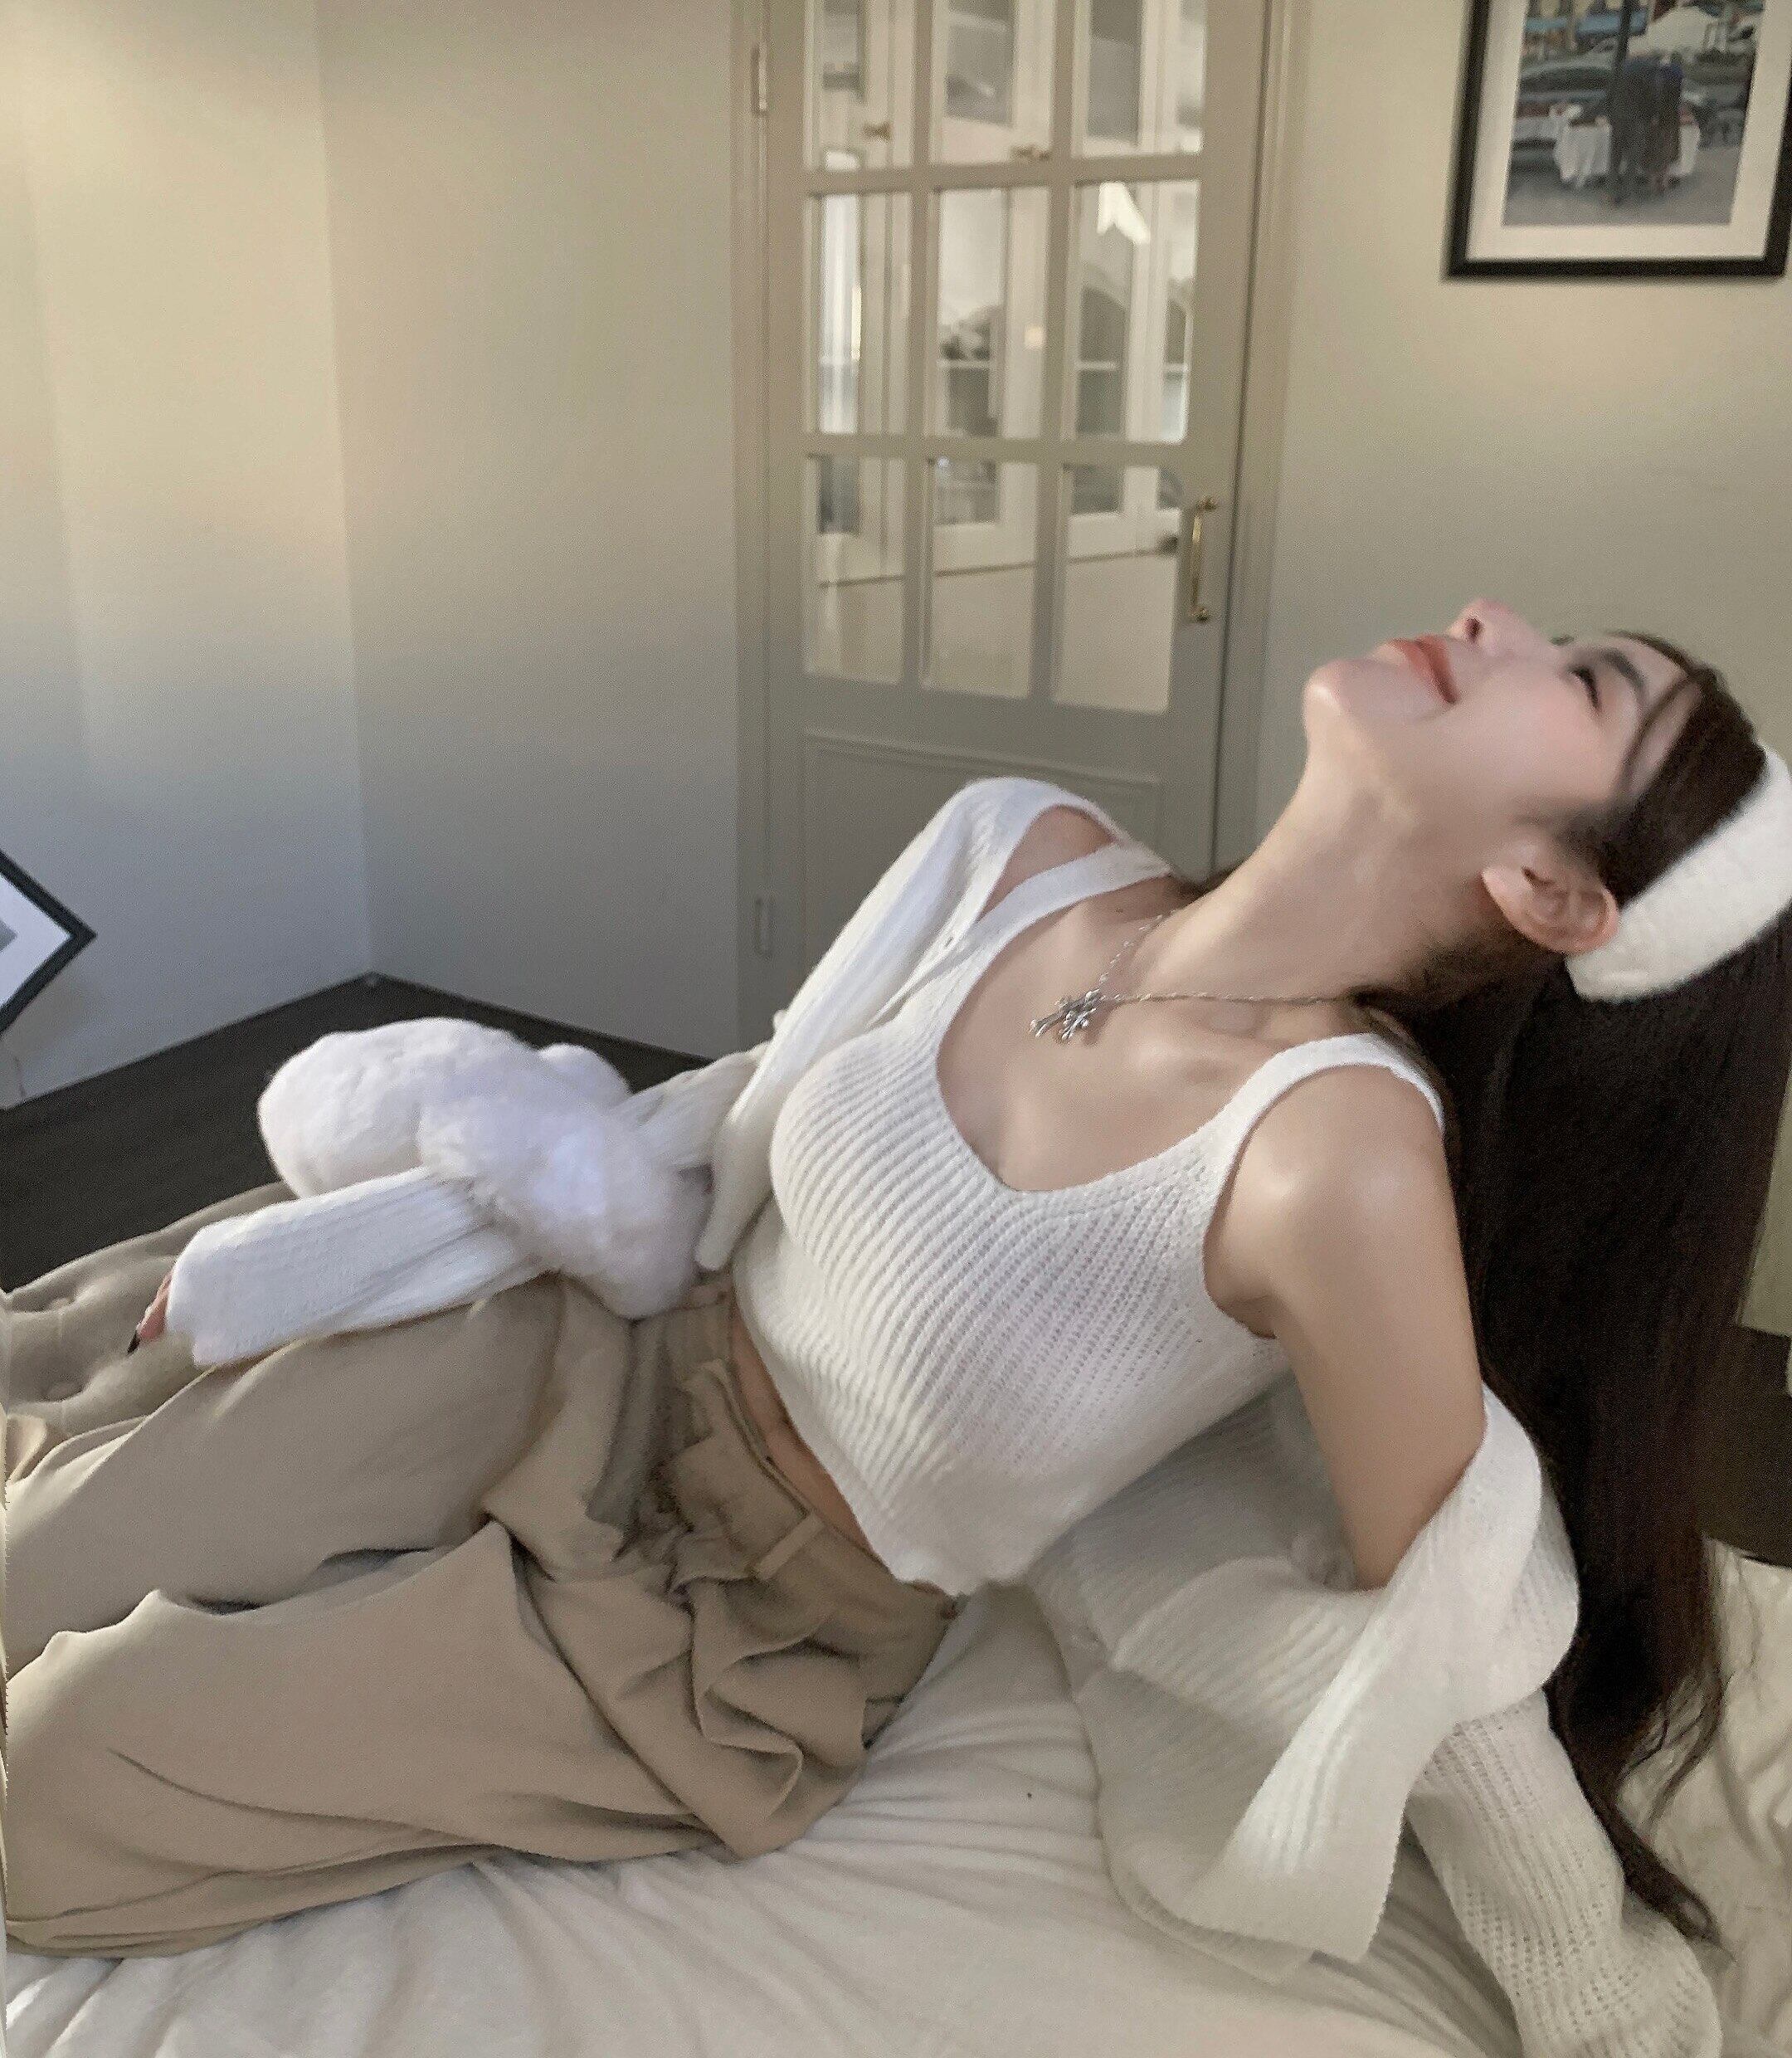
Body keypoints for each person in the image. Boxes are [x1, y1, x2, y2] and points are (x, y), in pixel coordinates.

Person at [5, 597, 1790, 2000]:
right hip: (590, 1343)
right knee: (43, 1548)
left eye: (1580, 681)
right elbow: (724, 1127)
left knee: (60, 1778)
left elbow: (1454, 1617)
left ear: (1551, 889)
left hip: (731, 1613)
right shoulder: (1014, 844)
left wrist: (1595, 1985)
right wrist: (356, 1244)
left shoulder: (1338, 1160)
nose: (1490, 621)